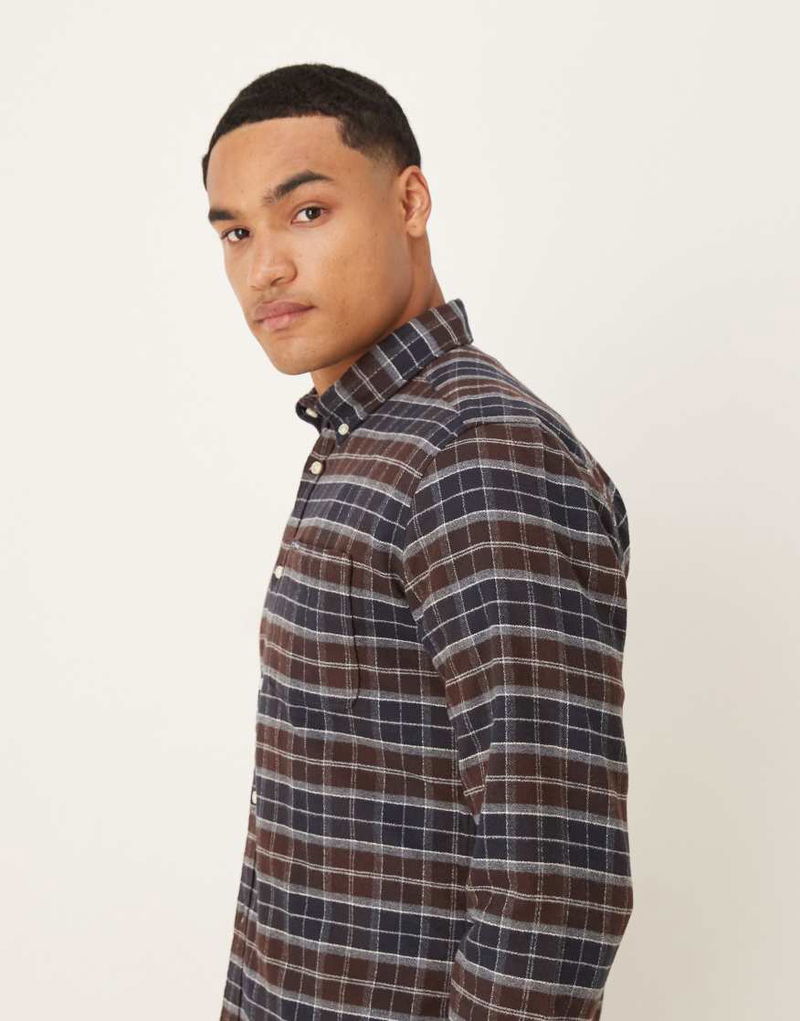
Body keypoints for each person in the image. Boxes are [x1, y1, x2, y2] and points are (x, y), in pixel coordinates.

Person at [202, 62, 633, 1021]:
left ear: (409, 201)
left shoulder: (475, 449)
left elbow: (554, 875)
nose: (264, 268)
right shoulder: (372, 437)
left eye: (306, 212)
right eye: (236, 232)